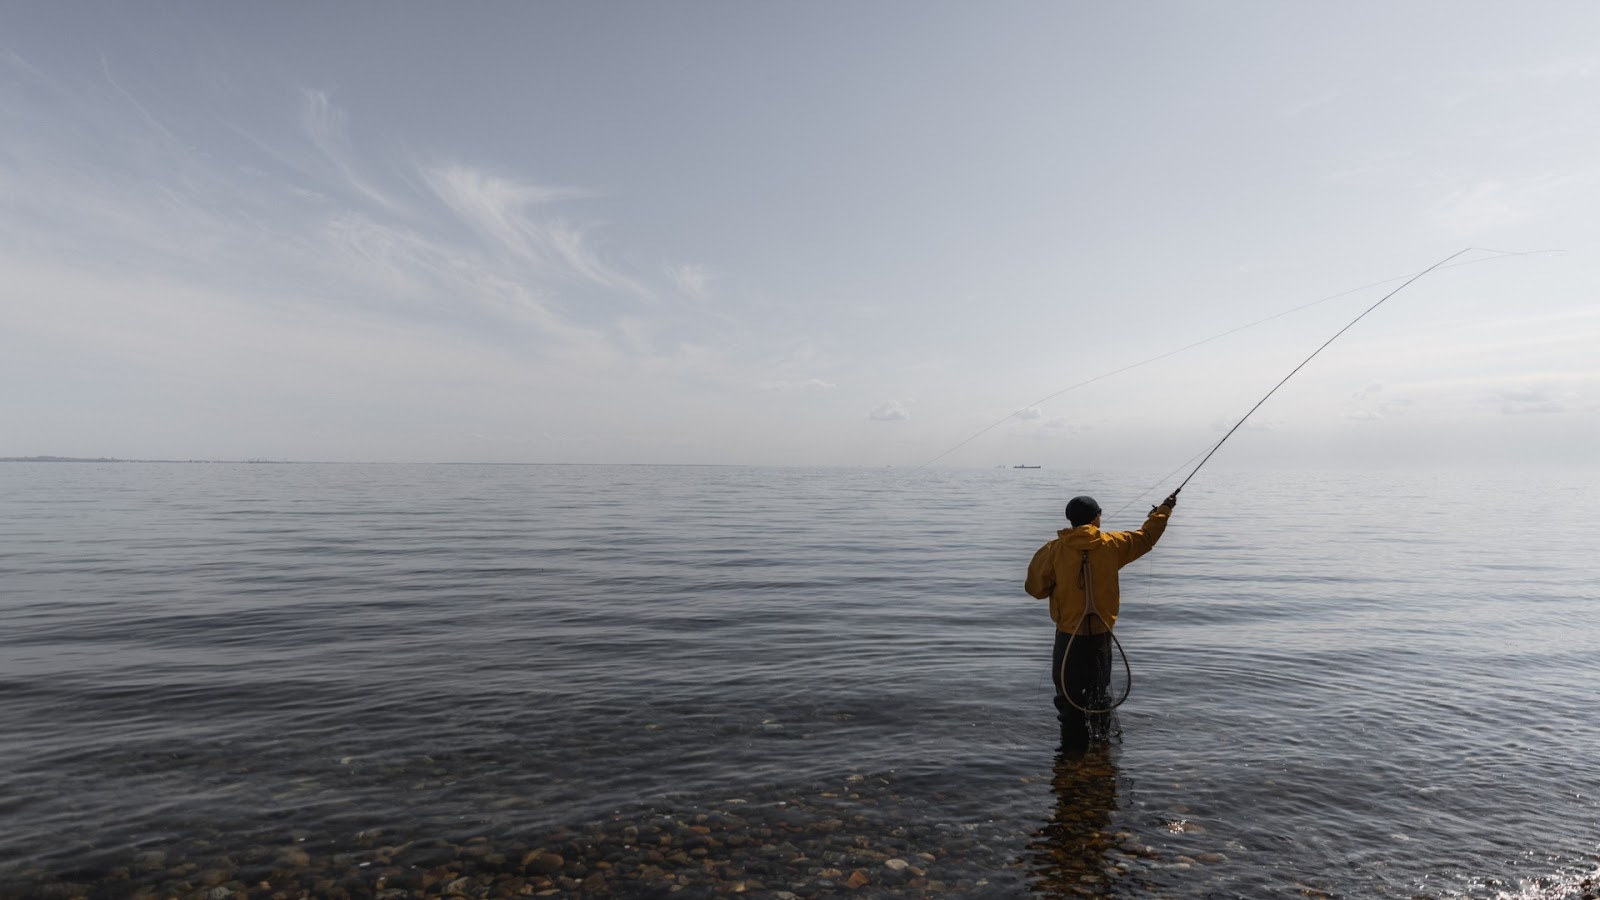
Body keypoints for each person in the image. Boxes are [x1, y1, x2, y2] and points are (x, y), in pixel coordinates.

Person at [1025, 491, 1177, 742]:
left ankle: (1071, 752)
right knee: (1099, 692)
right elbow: (1147, 537)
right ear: (1097, 518)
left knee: (1068, 696)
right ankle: (1100, 750)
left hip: (1068, 635)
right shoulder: (1112, 544)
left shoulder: (1052, 550)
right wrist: (1163, 510)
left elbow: (1035, 589)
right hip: (1101, 636)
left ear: (1070, 520)